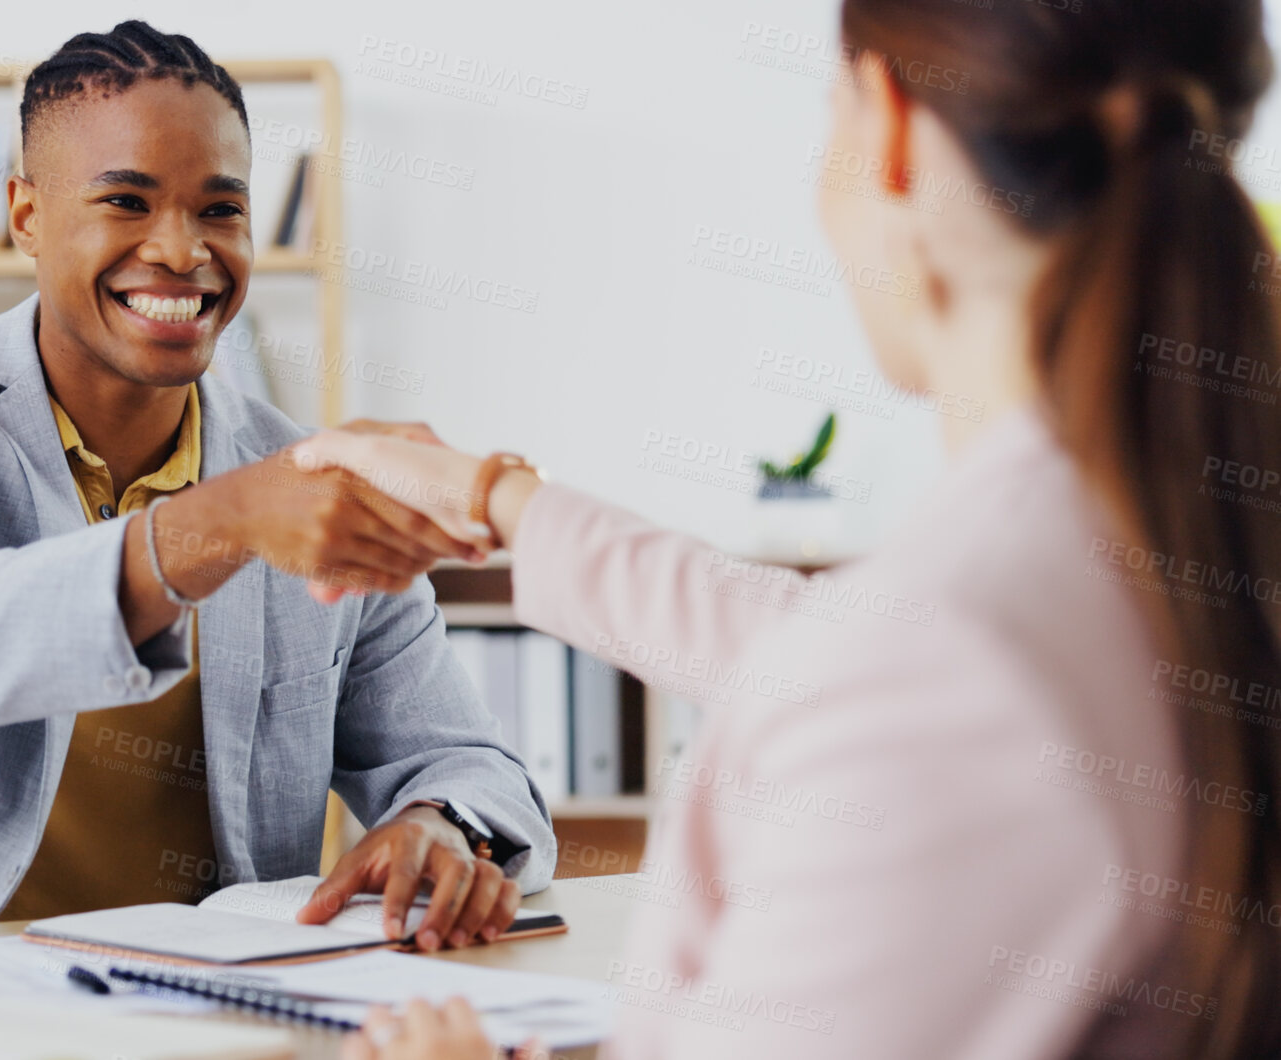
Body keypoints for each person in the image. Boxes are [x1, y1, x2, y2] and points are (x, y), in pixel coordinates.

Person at [313, 1, 1281, 1056]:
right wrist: (492, 496)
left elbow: (896, 686)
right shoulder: (1154, 537)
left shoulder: (953, 661)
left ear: (891, 129)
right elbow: (813, 649)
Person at [0, 20, 555, 945]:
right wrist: (219, 525)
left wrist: (442, 825)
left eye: (220, 210)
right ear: (26, 214)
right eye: (126, 202)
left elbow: (468, 762)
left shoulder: (300, 482)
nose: (182, 250)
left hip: (213, 1006)